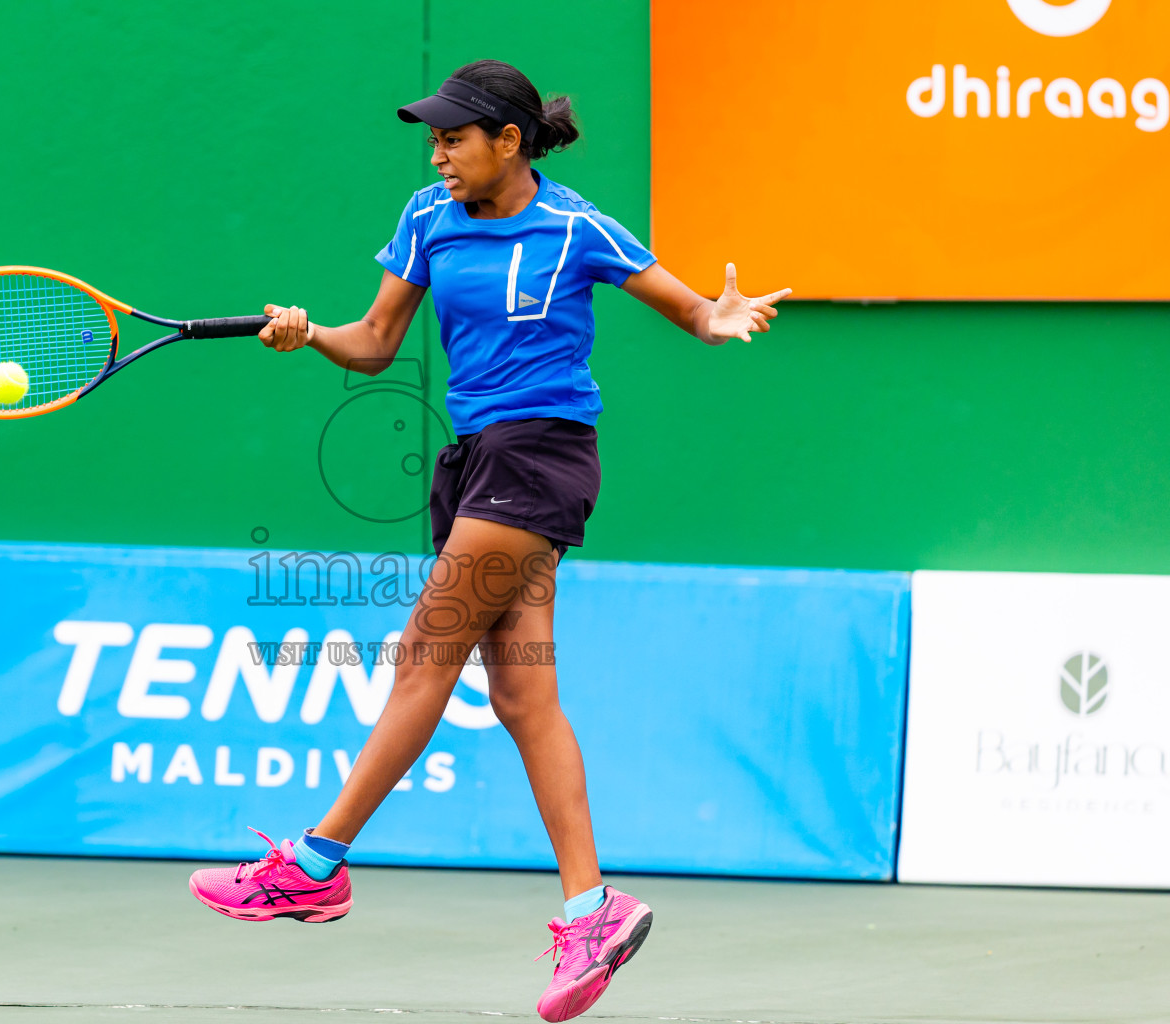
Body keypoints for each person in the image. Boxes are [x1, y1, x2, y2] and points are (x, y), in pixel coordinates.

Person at [188, 59, 790, 1022]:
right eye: (433, 138)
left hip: (541, 454)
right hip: (476, 461)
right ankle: (593, 910)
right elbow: (376, 341)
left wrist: (717, 317)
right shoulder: (428, 218)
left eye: (454, 138)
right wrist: (309, 335)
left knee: (426, 653)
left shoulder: (576, 227)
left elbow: (687, 309)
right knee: (521, 696)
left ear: (508, 142)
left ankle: (313, 865)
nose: (438, 152)